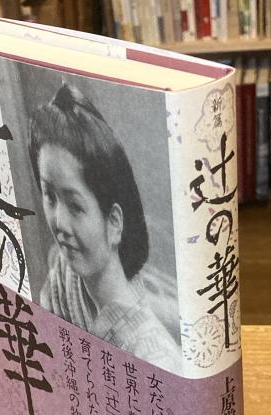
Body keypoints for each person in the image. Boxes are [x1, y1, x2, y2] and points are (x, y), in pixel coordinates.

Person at [28, 82, 180, 373]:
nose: (59, 222)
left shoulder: (155, 355)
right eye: (50, 196)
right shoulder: (65, 275)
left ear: (114, 222)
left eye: (75, 206)